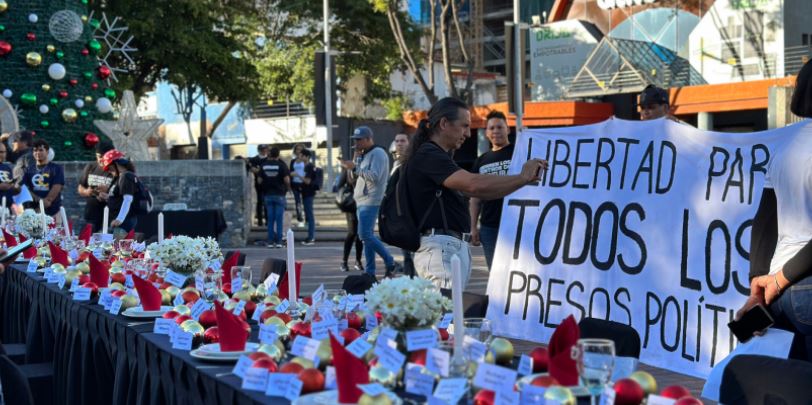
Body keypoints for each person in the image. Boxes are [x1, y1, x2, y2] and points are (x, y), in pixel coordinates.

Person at [404, 97, 547, 289]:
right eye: (464, 126)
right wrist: (522, 177)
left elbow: (482, 192)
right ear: (444, 123)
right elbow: (473, 185)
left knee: (452, 313)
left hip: (449, 248)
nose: (468, 134)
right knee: (446, 314)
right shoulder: (429, 154)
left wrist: (521, 180)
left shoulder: (441, 155)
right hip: (441, 251)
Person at [738, 60, 812, 359]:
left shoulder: (785, 146)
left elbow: (764, 221)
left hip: (777, 293)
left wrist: (758, 285)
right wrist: (781, 279)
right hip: (798, 282)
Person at [341, 126, 401, 278]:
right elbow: (353, 179)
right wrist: (353, 165)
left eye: (359, 140)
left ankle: (390, 262)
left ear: (369, 139)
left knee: (365, 235)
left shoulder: (378, 154)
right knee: (367, 238)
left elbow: (374, 176)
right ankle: (370, 271)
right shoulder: (365, 155)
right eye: (354, 140)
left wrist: (355, 167)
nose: (356, 143)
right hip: (361, 200)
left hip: (371, 200)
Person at [469, 111, 514, 270]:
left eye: (500, 127)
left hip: (517, 224)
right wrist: (473, 227)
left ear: (508, 129)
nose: (496, 131)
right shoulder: (481, 161)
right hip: (490, 228)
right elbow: (475, 198)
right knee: (495, 274)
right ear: (487, 132)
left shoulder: (519, 153)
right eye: (492, 128)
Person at [100, 149, 144, 235]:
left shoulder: (126, 176)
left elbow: (128, 199)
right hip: (120, 220)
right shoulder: (120, 178)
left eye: (110, 168)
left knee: (120, 247)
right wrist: (108, 197)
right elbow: (119, 198)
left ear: (116, 164)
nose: (109, 171)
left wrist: (120, 219)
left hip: (125, 221)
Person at [390, 133, 415, 276]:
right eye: (397, 141)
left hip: (410, 213)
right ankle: (409, 281)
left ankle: (415, 284)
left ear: (408, 143)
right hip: (399, 214)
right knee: (406, 253)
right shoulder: (396, 162)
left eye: (403, 141)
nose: (399, 143)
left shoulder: (412, 161)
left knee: (412, 254)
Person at [77, 142, 115, 232]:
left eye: (103, 157)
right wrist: (87, 192)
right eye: (98, 156)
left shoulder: (115, 169)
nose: (100, 160)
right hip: (91, 213)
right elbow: (80, 187)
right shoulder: (91, 166)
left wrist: (107, 193)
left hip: (110, 214)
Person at [22, 139, 64, 219]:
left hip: (53, 212)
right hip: (33, 212)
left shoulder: (56, 168)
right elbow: (24, 188)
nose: (38, 153)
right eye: (35, 150)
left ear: (47, 152)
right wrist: (38, 200)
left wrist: (44, 204)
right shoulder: (28, 169)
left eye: (41, 150)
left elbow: (56, 188)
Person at [258, 147, 290, 248]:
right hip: (279, 194)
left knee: (270, 219)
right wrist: (287, 189)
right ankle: (279, 242)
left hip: (268, 194)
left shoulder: (263, 166)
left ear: (269, 155)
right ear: (278, 155)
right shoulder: (281, 166)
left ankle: (270, 241)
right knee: (279, 219)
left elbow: (259, 180)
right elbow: (287, 180)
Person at [335, 165, 364, 272]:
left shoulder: (366, 167)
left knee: (361, 234)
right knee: (352, 232)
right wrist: (352, 183)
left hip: (364, 203)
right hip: (352, 204)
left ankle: (358, 261)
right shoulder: (348, 170)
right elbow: (339, 186)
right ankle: (344, 261)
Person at [299, 149, 317, 245]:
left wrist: (298, 175)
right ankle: (310, 236)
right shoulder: (307, 166)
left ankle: (311, 237)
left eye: (301, 156)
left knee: (310, 215)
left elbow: (308, 181)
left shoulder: (309, 167)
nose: (300, 157)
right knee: (308, 215)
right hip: (306, 193)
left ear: (306, 157)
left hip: (309, 193)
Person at [249, 145, 270, 227]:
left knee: (266, 202)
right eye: (262, 150)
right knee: (260, 201)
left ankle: (268, 221)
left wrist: (259, 170)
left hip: (268, 183)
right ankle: (260, 221)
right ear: (259, 150)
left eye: (265, 149)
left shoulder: (268, 158)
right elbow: (253, 169)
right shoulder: (255, 159)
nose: (264, 151)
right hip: (258, 183)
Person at [289, 143, 306, 225]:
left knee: (305, 201)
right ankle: (300, 218)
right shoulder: (293, 161)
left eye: (300, 149)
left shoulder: (305, 160)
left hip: (304, 183)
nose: (299, 151)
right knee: (297, 201)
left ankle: (307, 218)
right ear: (295, 151)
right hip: (295, 183)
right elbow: (290, 171)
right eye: (297, 149)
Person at [0, 142, 16, 211]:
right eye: (0, 152)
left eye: (4, 152)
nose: (3, 155)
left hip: (8, 209)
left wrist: (16, 187)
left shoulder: (7, 167)